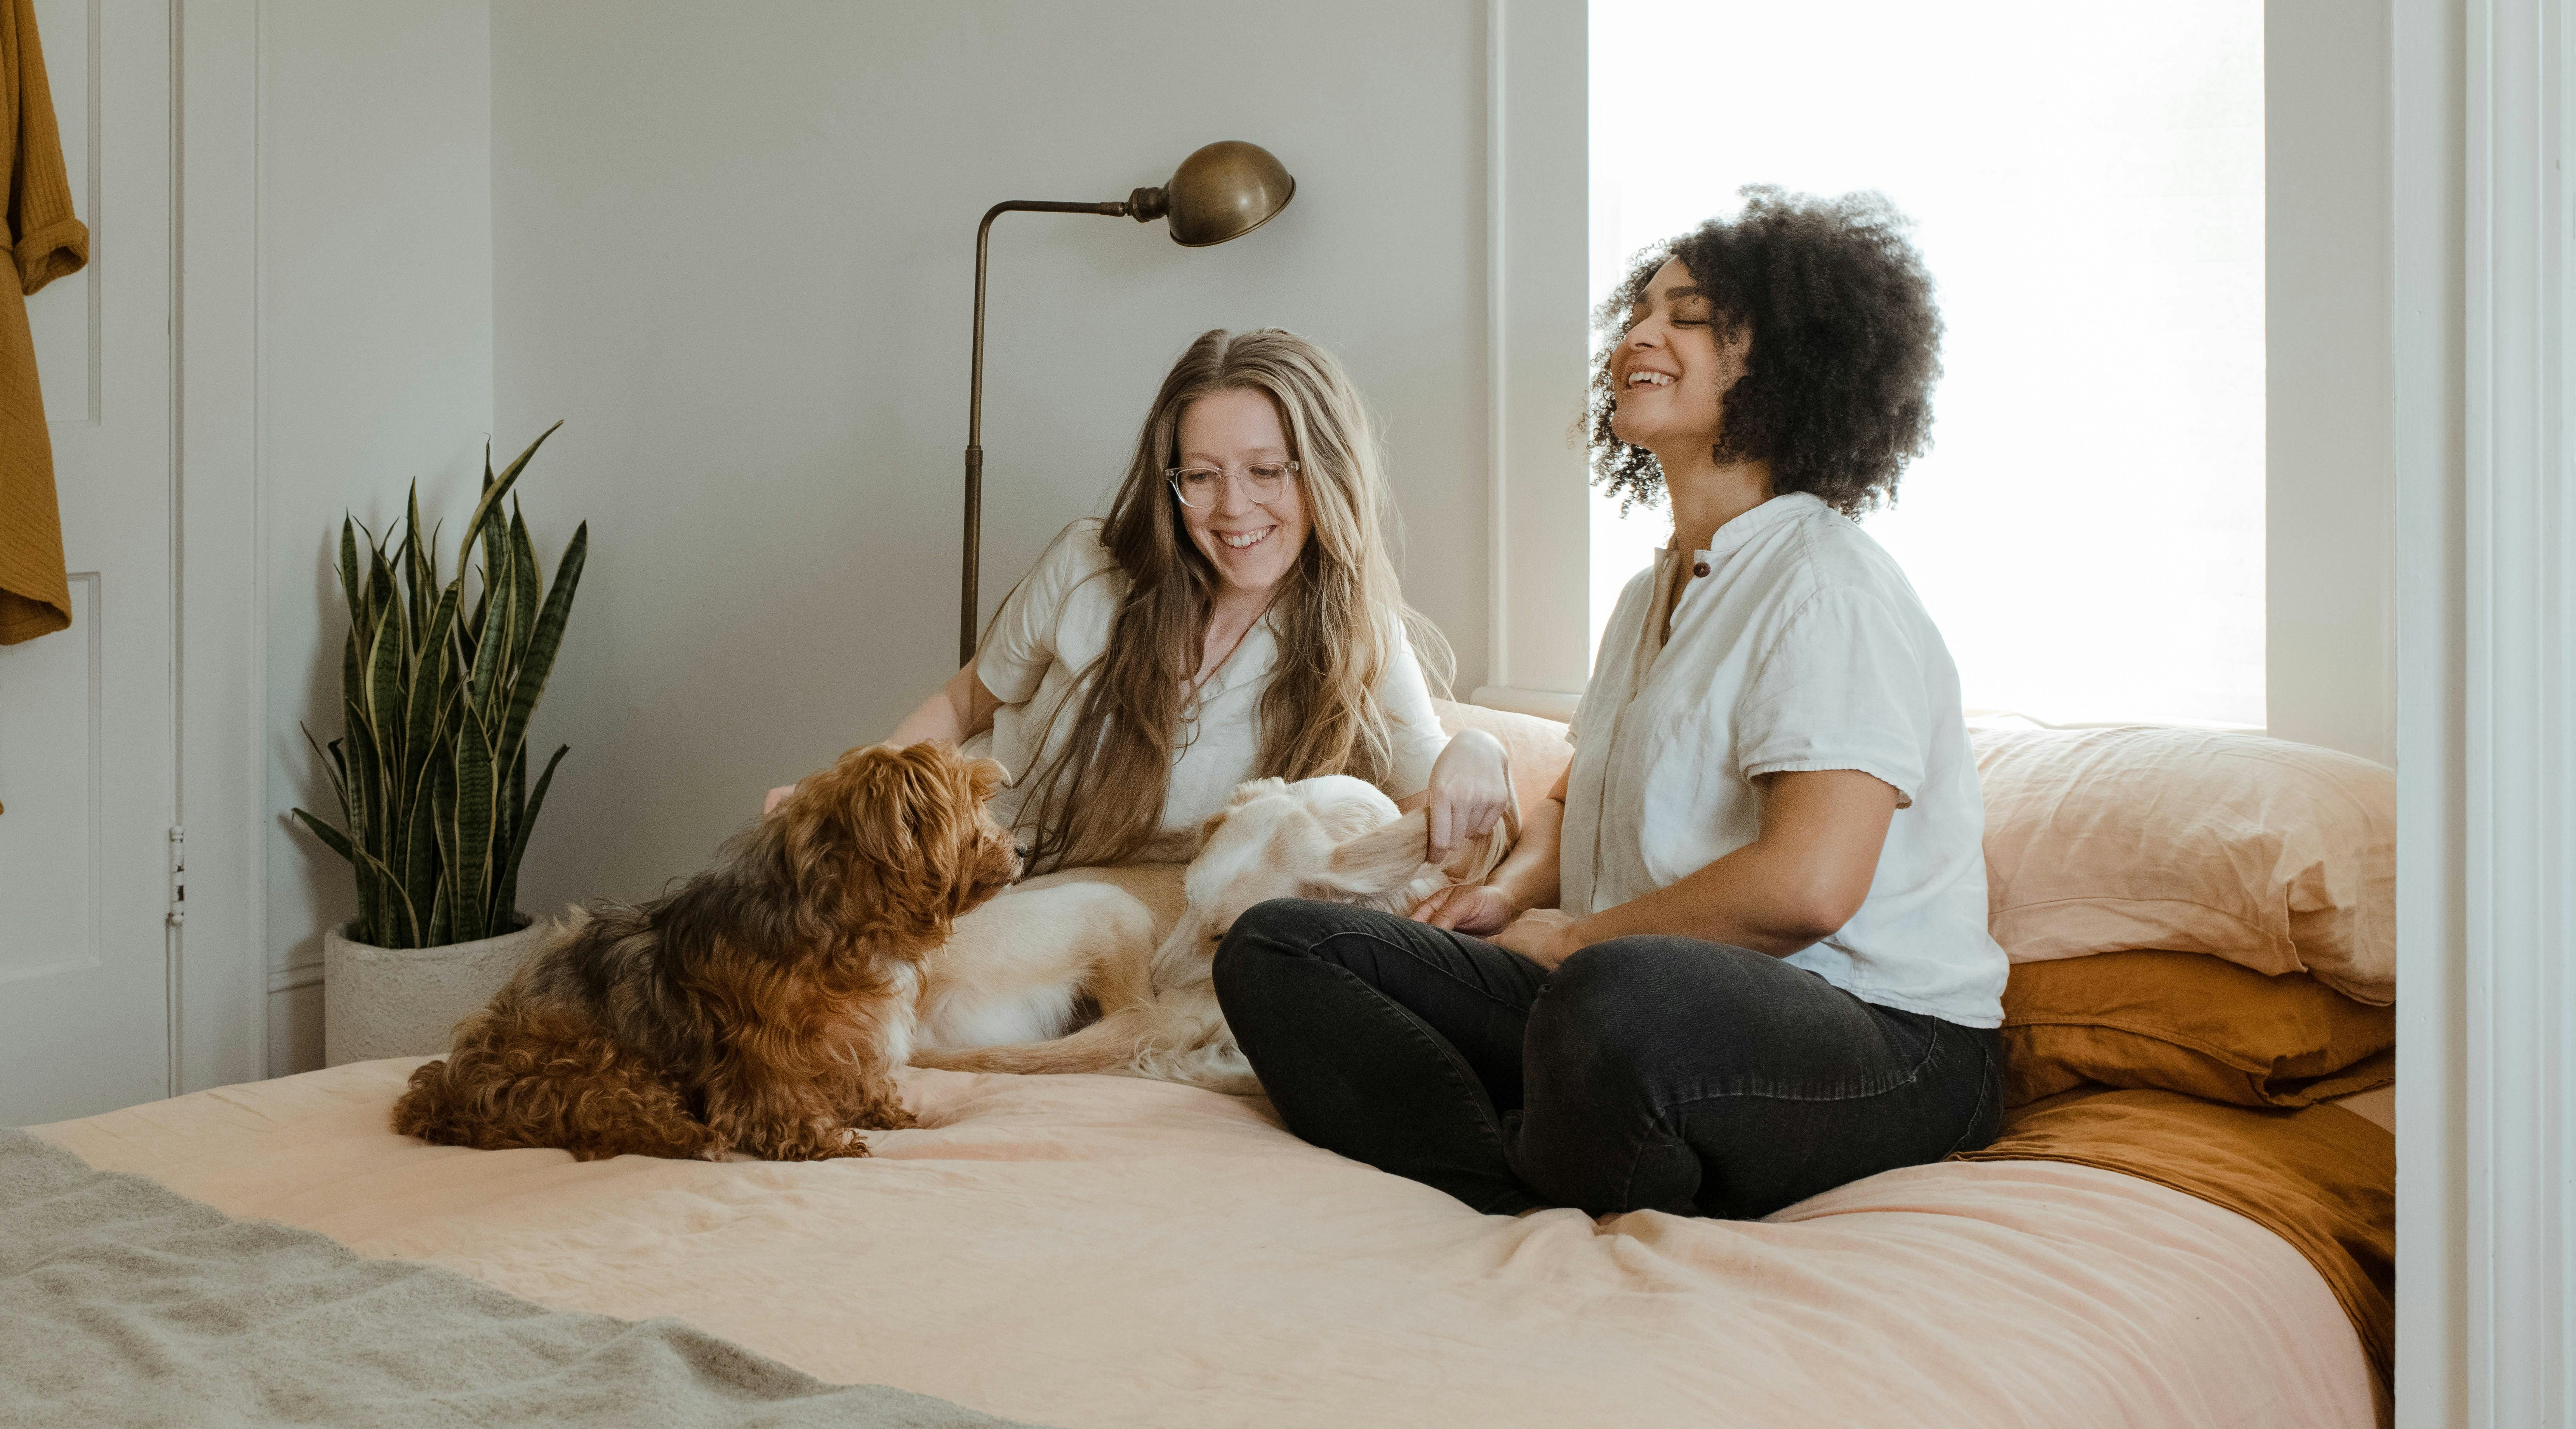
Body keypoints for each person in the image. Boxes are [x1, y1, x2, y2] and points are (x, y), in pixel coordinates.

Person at [1216, 188, 2007, 1220]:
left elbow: (1809, 885)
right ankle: (1513, 1182)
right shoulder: (1653, 594)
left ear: (1785, 360)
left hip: (1884, 1040)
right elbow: (1578, 791)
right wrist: (1503, 897)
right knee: (1281, 947)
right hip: (1627, 1000)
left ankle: (1567, 1137)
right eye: (1640, 310)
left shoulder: (1827, 585)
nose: (1639, 331)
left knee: (1608, 1000)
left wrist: (1577, 941)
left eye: (1687, 314)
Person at [783, 327, 1513, 877]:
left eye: (1266, 472)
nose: (1233, 509)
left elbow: (1433, 822)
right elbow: (966, 704)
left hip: (1133, 929)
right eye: (1200, 476)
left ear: (1324, 474)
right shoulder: (1086, 565)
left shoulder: (1360, 635)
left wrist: (1480, 749)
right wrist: (847, 801)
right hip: (974, 875)